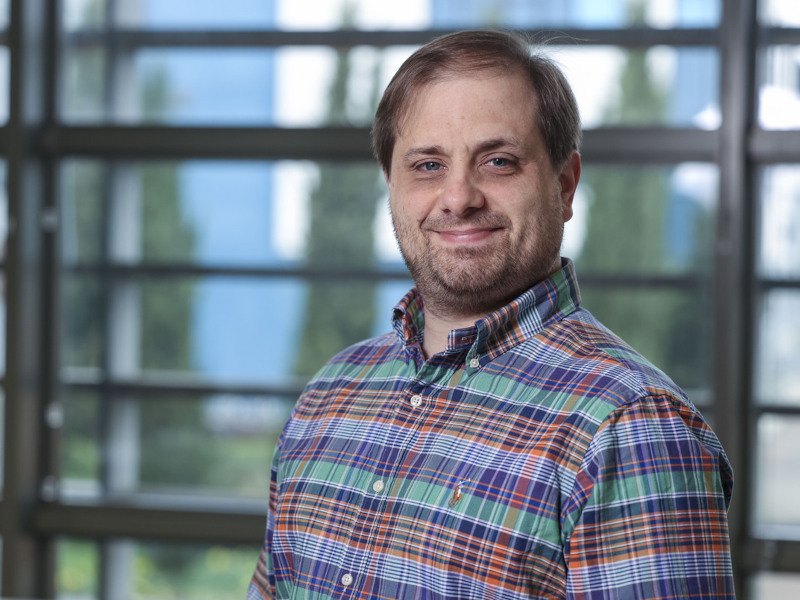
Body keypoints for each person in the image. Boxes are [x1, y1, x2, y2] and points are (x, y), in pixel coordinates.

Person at [249, 30, 734, 599]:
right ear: (392, 187)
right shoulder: (329, 397)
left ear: (565, 183)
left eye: (498, 162)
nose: (458, 197)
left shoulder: (631, 428)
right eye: (428, 165)